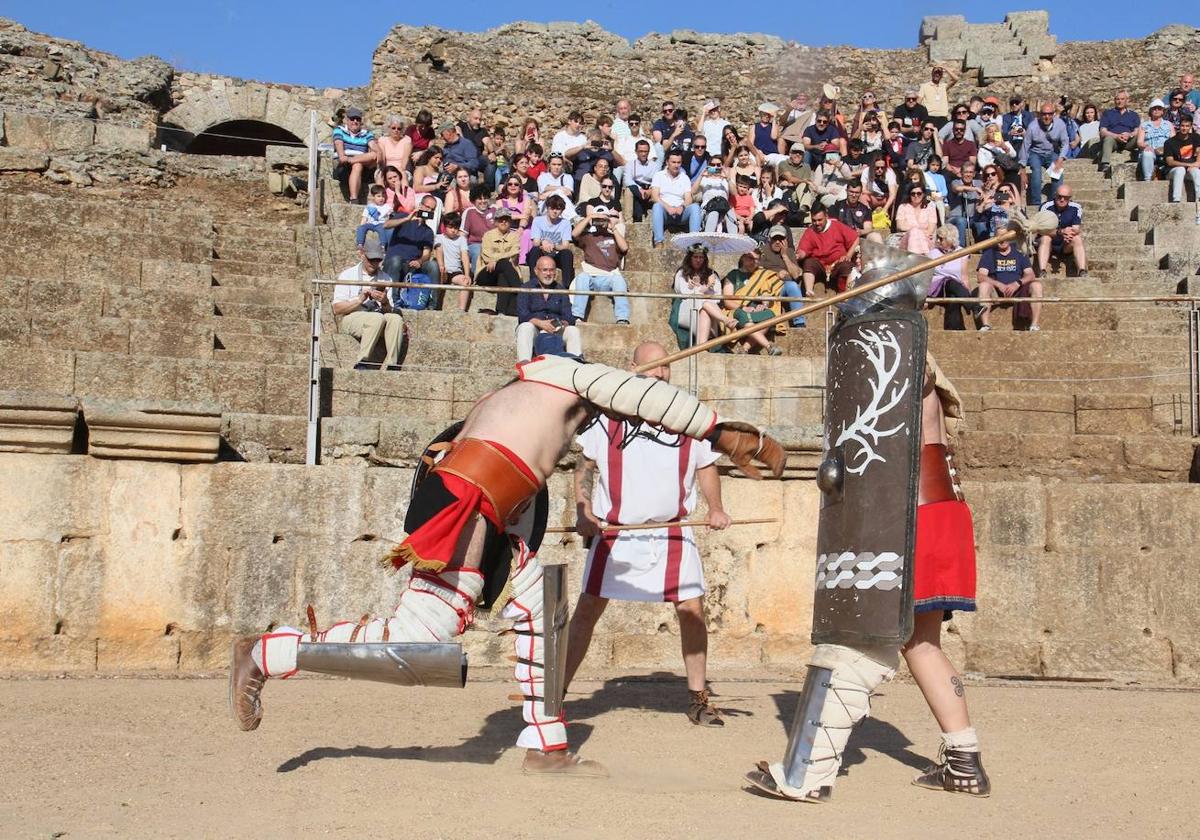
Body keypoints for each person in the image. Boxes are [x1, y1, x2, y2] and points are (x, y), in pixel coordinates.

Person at [229, 352, 785, 777]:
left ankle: (546, 745)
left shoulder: (528, 397)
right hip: (472, 493)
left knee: (541, 613)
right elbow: (643, 397)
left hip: (498, 506)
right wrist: (721, 430)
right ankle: (266, 653)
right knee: (420, 634)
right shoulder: (566, 375)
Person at [745, 350, 988, 802]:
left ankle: (807, 773)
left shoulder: (907, 355)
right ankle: (964, 761)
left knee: (859, 640)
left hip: (909, 516)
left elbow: (914, 372)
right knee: (920, 643)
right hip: (937, 511)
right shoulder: (912, 362)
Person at [565, 339, 734, 727]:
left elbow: (706, 465)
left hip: (672, 532)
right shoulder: (607, 416)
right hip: (616, 534)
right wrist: (584, 509)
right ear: (633, 368)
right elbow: (585, 467)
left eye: (667, 366)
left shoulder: (690, 416)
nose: (661, 373)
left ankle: (699, 698)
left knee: (692, 612)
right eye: (654, 367)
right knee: (587, 611)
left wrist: (716, 508)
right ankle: (556, 695)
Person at [331, 237, 403, 371]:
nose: (374, 263)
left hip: (377, 316)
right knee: (376, 318)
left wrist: (384, 301)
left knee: (396, 318)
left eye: (378, 260)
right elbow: (337, 309)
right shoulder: (347, 275)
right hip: (353, 317)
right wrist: (359, 299)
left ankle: (393, 364)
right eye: (371, 259)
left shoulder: (386, 278)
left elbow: (389, 311)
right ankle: (362, 361)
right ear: (362, 255)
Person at [516, 255, 582, 361]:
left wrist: (560, 324)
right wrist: (541, 323)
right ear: (536, 271)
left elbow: (569, 317)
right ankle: (524, 363)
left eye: (551, 270)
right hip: (535, 328)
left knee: (573, 330)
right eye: (545, 270)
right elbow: (522, 314)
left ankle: (576, 364)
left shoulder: (560, 290)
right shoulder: (526, 288)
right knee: (525, 327)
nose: (548, 274)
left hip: (556, 329)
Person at [571, 205, 630, 324]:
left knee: (619, 280)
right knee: (582, 277)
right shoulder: (588, 237)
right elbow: (574, 234)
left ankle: (622, 318)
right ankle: (577, 316)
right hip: (591, 276)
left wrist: (612, 228)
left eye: (603, 218)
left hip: (609, 276)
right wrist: (590, 218)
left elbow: (624, 248)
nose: (600, 221)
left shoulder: (613, 236)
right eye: (598, 218)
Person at [721, 249, 785, 355]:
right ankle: (769, 346)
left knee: (770, 314)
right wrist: (743, 307)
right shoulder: (733, 275)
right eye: (751, 258)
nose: (754, 262)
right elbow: (727, 301)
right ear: (743, 258)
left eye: (757, 259)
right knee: (745, 318)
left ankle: (744, 348)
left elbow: (767, 291)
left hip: (756, 309)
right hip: (737, 309)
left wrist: (764, 305)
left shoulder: (762, 274)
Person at [976, 236, 1042, 331]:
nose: (1002, 240)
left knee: (1037, 285)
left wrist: (1017, 283)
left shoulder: (1019, 252)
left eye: (1005, 237)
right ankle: (985, 325)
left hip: (1018, 290)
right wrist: (998, 284)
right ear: (995, 238)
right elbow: (981, 276)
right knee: (983, 285)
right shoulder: (989, 253)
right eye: (999, 238)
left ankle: (1034, 325)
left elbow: (1030, 274)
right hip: (996, 291)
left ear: (1010, 237)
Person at [674, 245, 736, 344]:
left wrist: (711, 285)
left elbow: (717, 298)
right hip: (688, 308)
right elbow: (683, 293)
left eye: (701, 257)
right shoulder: (682, 273)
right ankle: (725, 320)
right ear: (690, 258)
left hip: (709, 310)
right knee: (704, 302)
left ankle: (701, 348)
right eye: (695, 257)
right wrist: (706, 287)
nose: (698, 260)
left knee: (705, 310)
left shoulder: (712, 274)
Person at [796, 206, 858, 295]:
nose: (817, 223)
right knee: (808, 263)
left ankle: (844, 295)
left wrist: (848, 255)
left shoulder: (837, 226)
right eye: (814, 220)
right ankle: (809, 291)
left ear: (826, 217)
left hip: (838, 263)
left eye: (819, 220)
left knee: (847, 266)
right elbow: (803, 250)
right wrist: (799, 255)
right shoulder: (810, 232)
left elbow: (855, 238)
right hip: (820, 266)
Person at [927, 225, 978, 330]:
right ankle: (974, 306)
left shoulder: (961, 252)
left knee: (953, 298)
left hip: (955, 288)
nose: (938, 240)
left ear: (950, 239)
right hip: (937, 288)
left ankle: (956, 329)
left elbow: (964, 276)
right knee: (949, 280)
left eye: (941, 238)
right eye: (938, 237)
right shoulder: (932, 254)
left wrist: (966, 292)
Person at [381, 195, 438, 287]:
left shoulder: (428, 231)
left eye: (432, 209)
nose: (429, 211)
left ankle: (433, 301)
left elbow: (426, 254)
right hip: (394, 263)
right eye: (427, 207)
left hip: (412, 266)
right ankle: (392, 299)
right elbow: (386, 225)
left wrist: (420, 261)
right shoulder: (403, 216)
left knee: (433, 266)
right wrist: (407, 219)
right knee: (397, 261)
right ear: (420, 205)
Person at [475, 207, 523, 316]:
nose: (504, 222)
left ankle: (501, 310)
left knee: (503, 274)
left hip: (506, 273)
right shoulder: (488, 236)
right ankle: (521, 292)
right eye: (501, 219)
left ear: (510, 221)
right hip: (487, 272)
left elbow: (514, 254)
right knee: (504, 263)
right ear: (496, 221)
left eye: (506, 219)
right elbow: (486, 256)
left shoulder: (514, 237)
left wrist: (495, 259)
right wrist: (501, 259)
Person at [1020, 103, 1070, 206]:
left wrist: (1060, 159)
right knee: (1036, 174)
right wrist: (1022, 168)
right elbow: (1025, 146)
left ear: (1053, 114)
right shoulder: (1033, 126)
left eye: (1050, 114)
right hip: (1036, 153)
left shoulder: (1060, 124)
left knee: (1057, 174)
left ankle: (1054, 202)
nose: (1047, 117)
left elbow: (1065, 143)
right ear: (1040, 115)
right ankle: (1036, 203)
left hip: (1052, 152)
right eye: (1044, 114)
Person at [650, 149, 701, 247]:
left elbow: (688, 199)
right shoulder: (659, 175)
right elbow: (654, 196)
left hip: (680, 213)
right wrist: (668, 207)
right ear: (667, 162)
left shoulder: (684, 177)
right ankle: (659, 242)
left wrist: (681, 207)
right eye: (673, 162)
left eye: (679, 162)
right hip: (665, 212)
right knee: (657, 206)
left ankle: (694, 242)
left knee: (695, 207)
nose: (676, 165)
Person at [1037, 185, 1088, 277]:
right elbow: (1041, 229)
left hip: (1065, 243)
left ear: (1070, 198)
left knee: (1077, 238)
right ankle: (1042, 271)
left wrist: (1069, 234)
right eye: (1059, 196)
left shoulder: (1076, 208)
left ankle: (1082, 270)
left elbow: (1076, 228)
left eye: (1065, 197)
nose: (1062, 199)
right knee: (1045, 238)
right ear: (1055, 195)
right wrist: (1060, 232)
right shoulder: (1046, 206)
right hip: (1050, 242)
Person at [332, 107, 380, 202]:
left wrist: (379, 151)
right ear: (347, 120)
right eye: (352, 118)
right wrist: (342, 156)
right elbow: (338, 143)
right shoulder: (339, 130)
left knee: (373, 155)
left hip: (360, 166)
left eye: (357, 119)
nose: (355, 121)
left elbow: (373, 145)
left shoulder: (366, 133)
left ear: (361, 121)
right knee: (357, 165)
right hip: (343, 166)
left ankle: (354, 199)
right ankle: (354, 198)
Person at [527, 195, 575, 287]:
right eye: (552, 208)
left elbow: (565, 245)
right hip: (541, 253)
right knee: (535, 250)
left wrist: (554, 245)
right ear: (548, 208)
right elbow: (536, 242)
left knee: (567, 253)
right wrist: (543, 242)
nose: (555, 211)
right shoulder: (538, 220)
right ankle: (533, 283)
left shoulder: (565, 223)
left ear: (562, 211)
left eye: (558, 209)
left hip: (556, 254)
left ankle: (567, 286)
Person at [1163, 113, 1200, 220]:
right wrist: (1189, 164)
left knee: (1196, 172)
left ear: (1191, 126)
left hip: (1189, 170)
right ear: (1179, 126)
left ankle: (1199, 198)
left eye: (1187, 126)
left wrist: (1197, 163)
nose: (1184, 128)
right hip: (1173, 171)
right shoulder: (1170, 142)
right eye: (1182, 126)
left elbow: (1199, 151)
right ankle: (1176, 200)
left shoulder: (1196, 137)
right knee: (1180, 170)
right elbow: (1170, 162)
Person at [435, 212, 473, 312]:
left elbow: (464, 256)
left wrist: (467, 274)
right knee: (440, 277)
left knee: (466, 282)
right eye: (450, 227)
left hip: (455, 272)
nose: (453, 230)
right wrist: (441, 265)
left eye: (456, 228)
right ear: (445, 226)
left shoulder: (461, 239)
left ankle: (461, 309)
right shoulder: (439, 238)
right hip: (443, 270)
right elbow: (439, 251)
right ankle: (435, 305)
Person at [1098, 91, 1140, 172]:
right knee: (1108, 139)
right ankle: (1105, 164)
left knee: (1140, 136)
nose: (1119, 101)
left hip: (1128, 141)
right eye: (1117, 99)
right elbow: (1103, 131)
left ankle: (1141, 159)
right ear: (1114, 100)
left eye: (1122, 99)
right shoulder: (1108, 113)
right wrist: (1116, 136)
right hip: (1114, 140)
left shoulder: (1133, 115)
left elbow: (1137, 130)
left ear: (1127, 100)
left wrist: (1129, 135)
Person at [1136, 99, 1175, 182]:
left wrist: (1164, 149)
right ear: (1151, 110)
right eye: (1154, 108)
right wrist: (1146, 146)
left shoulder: (1169, 124)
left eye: (1159, 108)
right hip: (1150, 150)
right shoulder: (1144, 125)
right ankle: (1148, 179)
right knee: (1147, 154)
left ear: (1162, 111)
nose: (1157, 110)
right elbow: (1139, 142)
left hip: (1165, 151)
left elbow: (1173, 141)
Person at [624, 139, 661, 223]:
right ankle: (628, 220)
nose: (643, 154)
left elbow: (657, 181)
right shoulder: (630, 164)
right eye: (641, 151)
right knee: (629, 190)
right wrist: (640, 189)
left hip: (650, 189)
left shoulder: (654, 166)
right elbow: (628, 180)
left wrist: (649, 191)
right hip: (636, 188)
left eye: (646, 151)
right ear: (636, 151)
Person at [461, 184, 495, 277]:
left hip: (493, 244)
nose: (483, 201)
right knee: (478, 252)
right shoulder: (469, 212)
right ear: (473, 200)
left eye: (485, 198)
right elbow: (462, 235)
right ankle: (477, 277)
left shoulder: (494, 210)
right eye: (479, 199)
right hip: (475, 244)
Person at [947, 160, 982, 245]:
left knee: (981, 223)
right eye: (966, 172)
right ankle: (961, 249)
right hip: (956, 218)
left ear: (974, 174)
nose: (968, 175)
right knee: (962, 221)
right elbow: (957, 189)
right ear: (961, 173)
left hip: (972, 218)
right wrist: (975, 189)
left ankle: (983, 250)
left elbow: (989, 191)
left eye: (971, 172)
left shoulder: (979, 183)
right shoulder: (955, 182)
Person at [896, 182, 937, 254]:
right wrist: (917, 230)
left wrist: (917, 232)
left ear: (923, 194)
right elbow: (900, 226)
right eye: (913, 194)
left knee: (916, 233)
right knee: (914, 232)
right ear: (909, 195)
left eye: (919, 193)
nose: (916, 196)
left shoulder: (930, 208)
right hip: (906, 240)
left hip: (925, 240)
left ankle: (916, 259)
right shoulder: (903, 207)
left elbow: (930, 230)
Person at [356, 184, 394, 248]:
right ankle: (360, 243)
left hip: (381, 224)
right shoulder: (369, 207)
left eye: (383, 196)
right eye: (378, 196)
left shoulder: (387, 207)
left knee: (382, 230)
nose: (381, 198)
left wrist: (391, 212)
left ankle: (383, 245)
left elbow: (390, 215)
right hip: (370, 223)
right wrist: (362, 224)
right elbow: (364, 218)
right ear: (373, 197)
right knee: (361, 228)